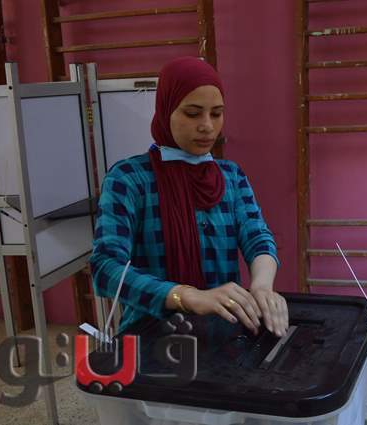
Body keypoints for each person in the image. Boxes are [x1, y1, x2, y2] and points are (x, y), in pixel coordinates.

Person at [90, 56, 288, 338]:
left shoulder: (231, 176)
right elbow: (106, 267)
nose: (207, 126)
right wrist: (186, 296)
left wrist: (262, 287)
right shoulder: (129, 179)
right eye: (193, 113)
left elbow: (258, 238)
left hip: (222, 331)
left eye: (216, 114)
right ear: (166, 110)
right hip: (151, 332)